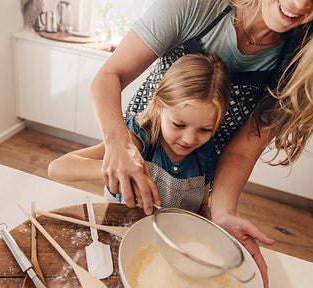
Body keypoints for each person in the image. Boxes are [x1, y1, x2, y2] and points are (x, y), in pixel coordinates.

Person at [89, 0, 313, 288]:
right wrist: (121, 147)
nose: (298, 3)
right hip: (137, 146)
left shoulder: (303, 60)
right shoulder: (196, 6)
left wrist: (222, 214)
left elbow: (241, 150)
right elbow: (110, 76)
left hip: (202, 172)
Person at [49, 53, 231, 217]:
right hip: (120, 233)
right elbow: (57, 168)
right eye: (179, 124)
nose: (190, 139)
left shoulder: (206, 154)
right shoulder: (136, 140)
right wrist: (119, 169)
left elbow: (204, 203)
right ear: (159, 105)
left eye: (205, 129)